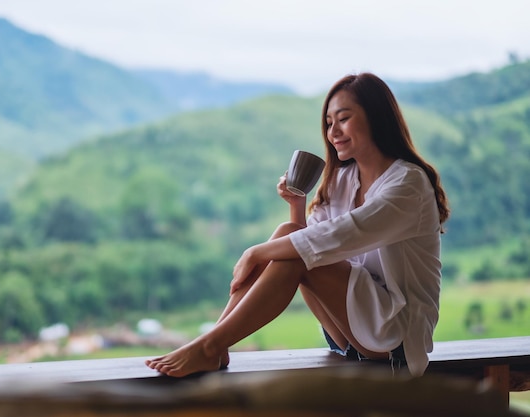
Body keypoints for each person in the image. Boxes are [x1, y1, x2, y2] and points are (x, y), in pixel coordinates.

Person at [145, 72, 450, 378]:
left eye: (343, 119)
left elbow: (340, 236)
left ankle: (210, 346)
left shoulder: (407, 183)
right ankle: (213, 344)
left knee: (292, 244)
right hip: (350, 331)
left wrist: (256, 253)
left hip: (397, 335)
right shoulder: (345, 179)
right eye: (329, 123)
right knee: (289, 235)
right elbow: (310, 242)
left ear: (376, 118)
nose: (333, 132)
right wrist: (296, 205)